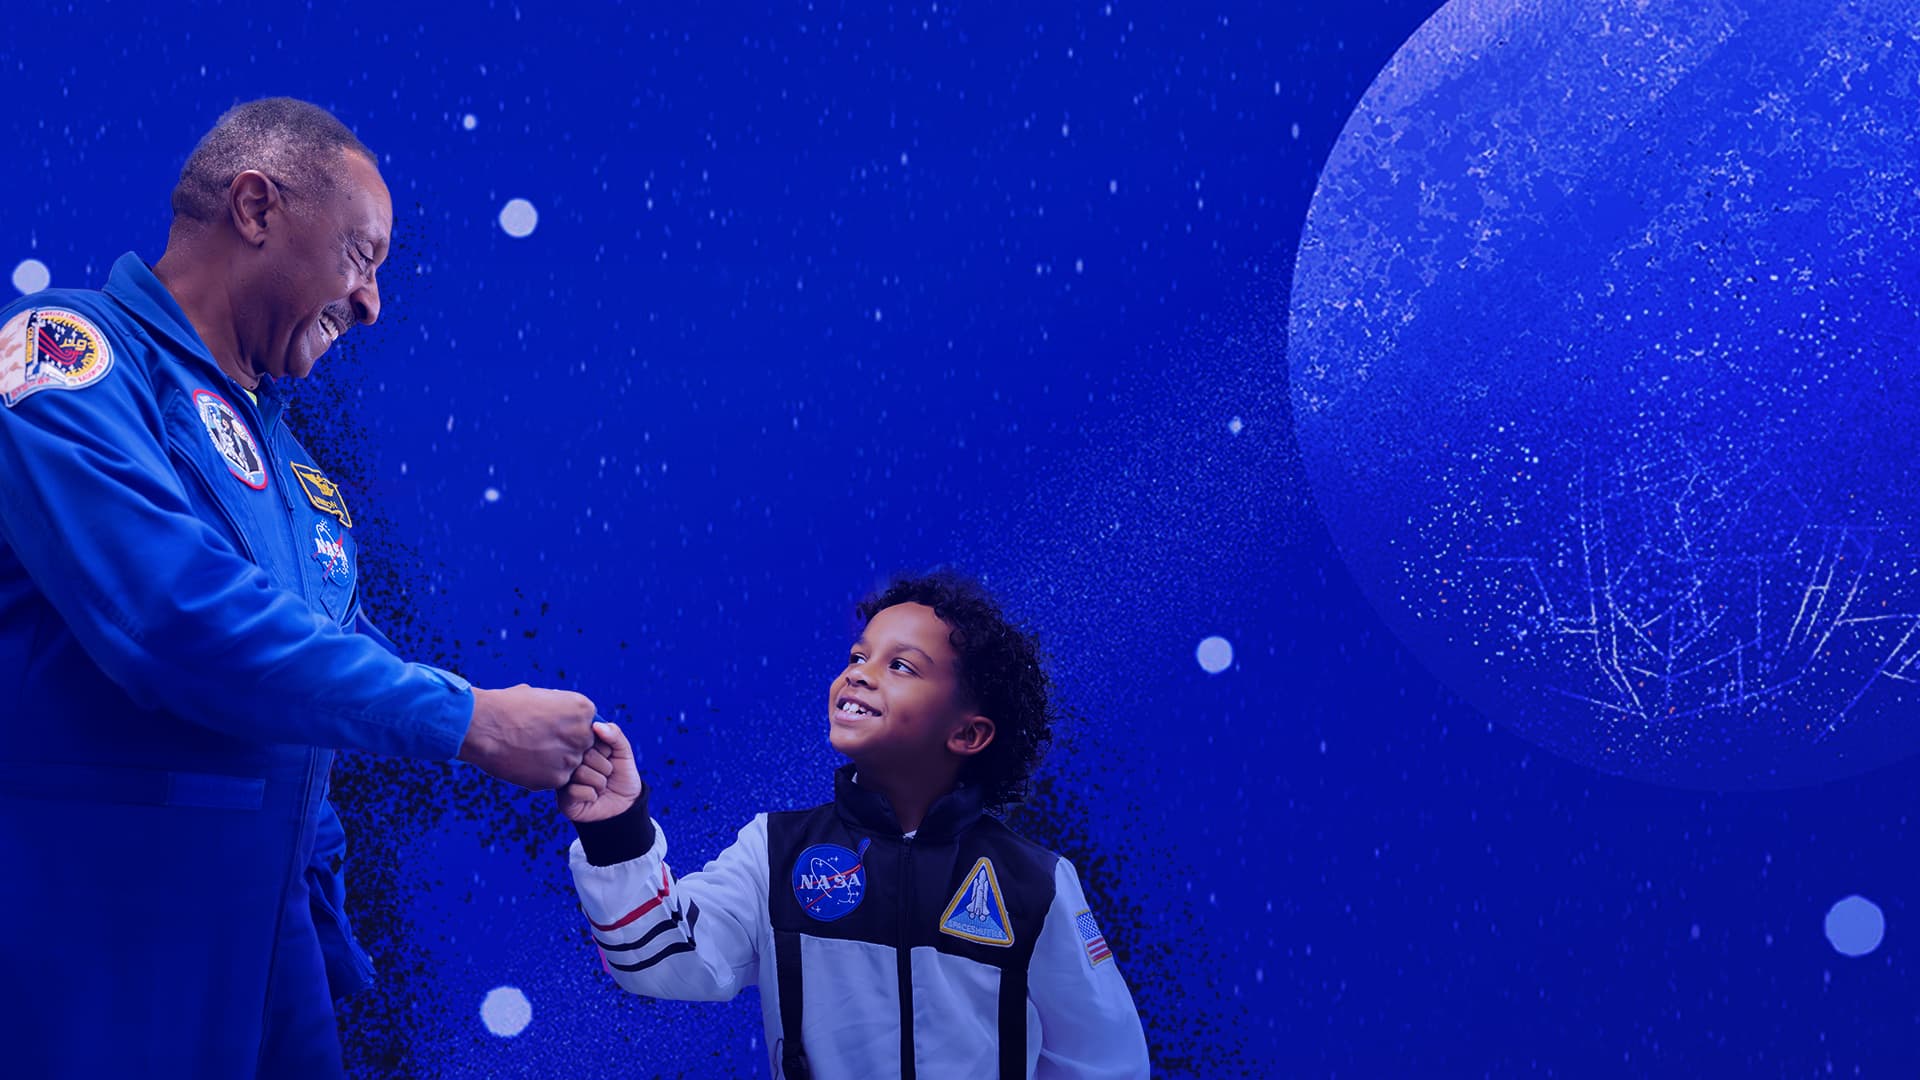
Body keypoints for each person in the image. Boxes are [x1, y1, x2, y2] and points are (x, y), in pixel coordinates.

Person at [0, 98, 600, 1078]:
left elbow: (322, 676)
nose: (372, 303)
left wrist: (315, 934)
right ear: (255, 207)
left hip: (260, 968)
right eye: (362, 257)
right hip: (93, 966)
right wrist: (469, 719)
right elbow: (171, 620)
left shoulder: (298, 475)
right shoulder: (65, 356)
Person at [561, 572, 1151, 1078]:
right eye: (857, 657)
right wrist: (617, 830)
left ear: (967, 734)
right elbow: (659, 960)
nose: (860, 674)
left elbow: (1103, 1060)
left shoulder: (1034, 883)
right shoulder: (776, 853)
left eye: (901, 665)